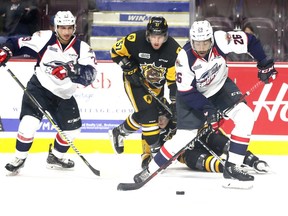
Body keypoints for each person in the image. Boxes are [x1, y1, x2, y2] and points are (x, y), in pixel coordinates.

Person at [133, 20, 277, 189]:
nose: (201, 48)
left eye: (205, 43)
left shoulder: (222, 40)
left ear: (211, 40)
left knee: (246, 116)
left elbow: (250, 41)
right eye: (197, 43)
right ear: (191, 41)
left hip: (220, 86)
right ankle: (150, 170)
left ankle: (232, 168)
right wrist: (208, 110)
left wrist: (264, 64)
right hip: (193, 96)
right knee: (184, 137)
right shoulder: (184, 58)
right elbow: (187, 92)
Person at [0, 10, 97, 175]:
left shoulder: (83, 48)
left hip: (64, 95)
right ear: (55, 27)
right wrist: (6, 51)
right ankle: (19, 158)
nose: (66, 32)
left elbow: (90, 75)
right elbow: (17, 43)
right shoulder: (43, 38)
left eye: (69, 27)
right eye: (62, 27)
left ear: (74, 27)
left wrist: (69, 70)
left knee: (73, 131)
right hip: (39, 88)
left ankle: (56, 157)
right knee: (28, 124)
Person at [109, 16, 181, 162]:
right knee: (149, 115)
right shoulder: (134, 39)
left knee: (152, 116)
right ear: (148, 34)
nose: (156, 41)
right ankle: (155, 155)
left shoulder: (174, 50)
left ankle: (121, 133)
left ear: (165, 35)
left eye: (160, 37)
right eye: (153, 36)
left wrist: (174, 103)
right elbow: (114, 52)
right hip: (135, 82)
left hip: (156, 87)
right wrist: (128, 67)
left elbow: (173, 82)